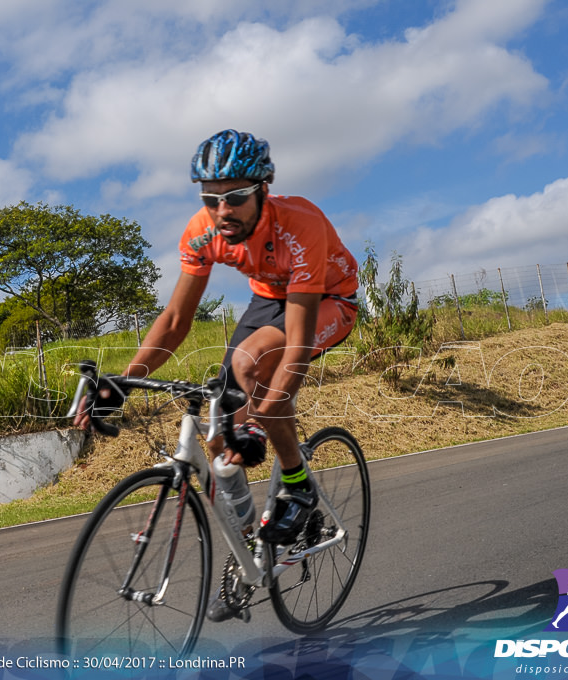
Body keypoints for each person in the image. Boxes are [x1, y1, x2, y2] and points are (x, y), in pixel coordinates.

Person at [75, 128, 359, 598]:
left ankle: (298, 485)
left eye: (236, 197)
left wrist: (266, 411)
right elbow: (174, 320)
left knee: (255, 377)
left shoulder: (300, 223)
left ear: (263, 190)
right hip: (268, 299)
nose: (223, 211)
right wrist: (124, 381)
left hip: (326, 298)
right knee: (218, 434)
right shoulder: (203, 231)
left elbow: (298, 338)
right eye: (211, 198)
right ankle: (250, 540)